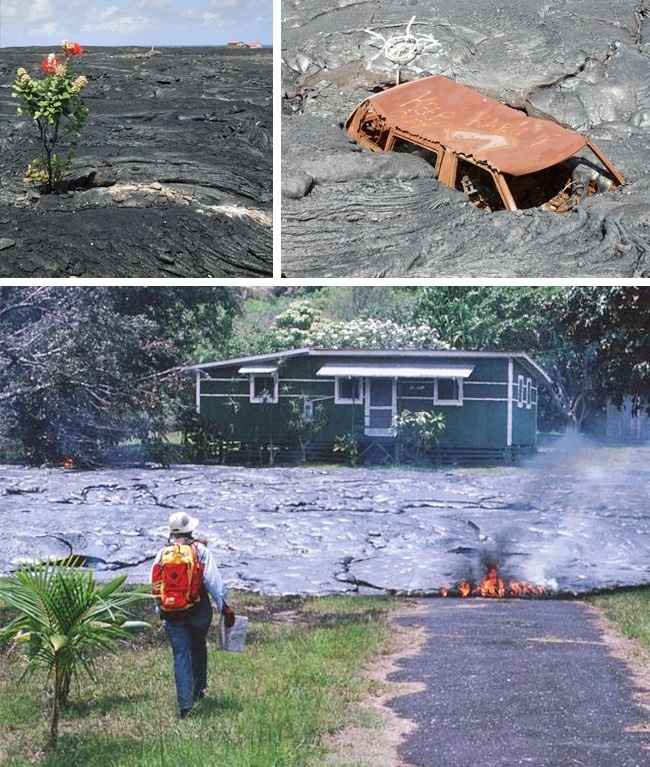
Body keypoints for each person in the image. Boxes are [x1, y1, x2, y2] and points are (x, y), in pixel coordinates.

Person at [151, 511, 228, 718]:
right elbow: (213, 582)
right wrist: (225, 607)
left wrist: (160, 609)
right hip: (198, 611)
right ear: (190, 530)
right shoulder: (200, 550)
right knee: (198, 645)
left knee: (180, 655)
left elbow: (156, 585)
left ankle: (185, 705)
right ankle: (199, 688)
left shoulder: (162, 553)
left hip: (171, 614)